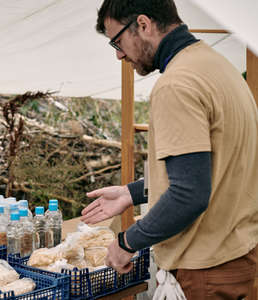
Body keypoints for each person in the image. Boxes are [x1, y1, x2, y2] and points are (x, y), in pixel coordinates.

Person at [81, 0, 257, 298]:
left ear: (143, 24)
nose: (119, 54)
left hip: (202, 269)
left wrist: (127, 242)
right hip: (235, 255)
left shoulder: (176, 84)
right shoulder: (217, 66)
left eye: (118, 41)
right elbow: (213, 169)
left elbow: (189, 194)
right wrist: (130, 193)